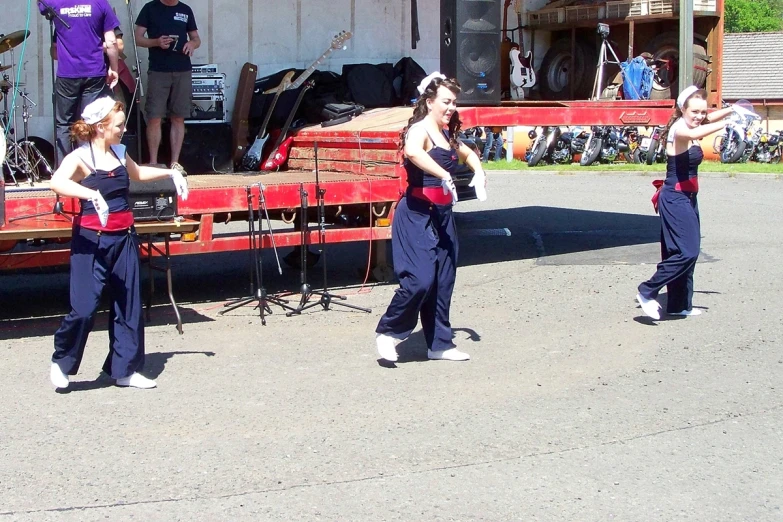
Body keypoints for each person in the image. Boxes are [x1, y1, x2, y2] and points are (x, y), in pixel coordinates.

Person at [48, 97, 189, 389]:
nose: (123, 130)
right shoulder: (81, 157)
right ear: (100, 127)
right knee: (84, 308)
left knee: (128, 305)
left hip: (124, 238)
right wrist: (89, 194)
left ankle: (124, 370)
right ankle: (62, 362)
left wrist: (170, 172)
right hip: (91, 241)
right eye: (119, 125)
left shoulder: (120, 151)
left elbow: (137, 174)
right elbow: (57, 182)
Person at [375, 72, 487, 362]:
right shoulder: (420, 129)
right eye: (446, 102)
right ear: (429, 101)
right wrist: (443, 173)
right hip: (415, 215)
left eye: (453, 103)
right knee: (420, 279)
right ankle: (390, 332)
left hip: (442, 215)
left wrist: (479, 172)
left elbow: (468, 153)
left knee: (443, 281)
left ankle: (440, 344)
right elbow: (413, 152)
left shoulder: (446, 132)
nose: (451, 108)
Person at [636, 86, 734, 320]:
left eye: (703, 112)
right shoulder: (680, 129)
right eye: (695, 112)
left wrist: (732, 110)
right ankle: (647, 290)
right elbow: (693, 133)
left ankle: (679, 305)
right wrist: (729, 125)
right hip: (675, 198)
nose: (700, 116)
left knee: (680, 252)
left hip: (689, 198)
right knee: (688, 252)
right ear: (682, 110)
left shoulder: (692, 122)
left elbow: (709, 118)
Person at [40, 0, 120, 164]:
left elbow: (41, 3)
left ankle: (64, 171)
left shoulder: (57, 3)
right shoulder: (100, 3)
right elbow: (112, 41)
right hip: (94, 72)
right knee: (90, 120)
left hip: (67, 74)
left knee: (63, 124)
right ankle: (90, 168)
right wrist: (114, 68)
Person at [134, 0, 201, 167]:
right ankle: (153, 162)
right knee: (155, 117)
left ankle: (175, 163)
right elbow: (138, 39)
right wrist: (156, 42)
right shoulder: (150, 8)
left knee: (178, 117)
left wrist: (192, 44)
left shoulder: (185, 9)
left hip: (183, 69)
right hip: (158, 70)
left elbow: (196, 38)